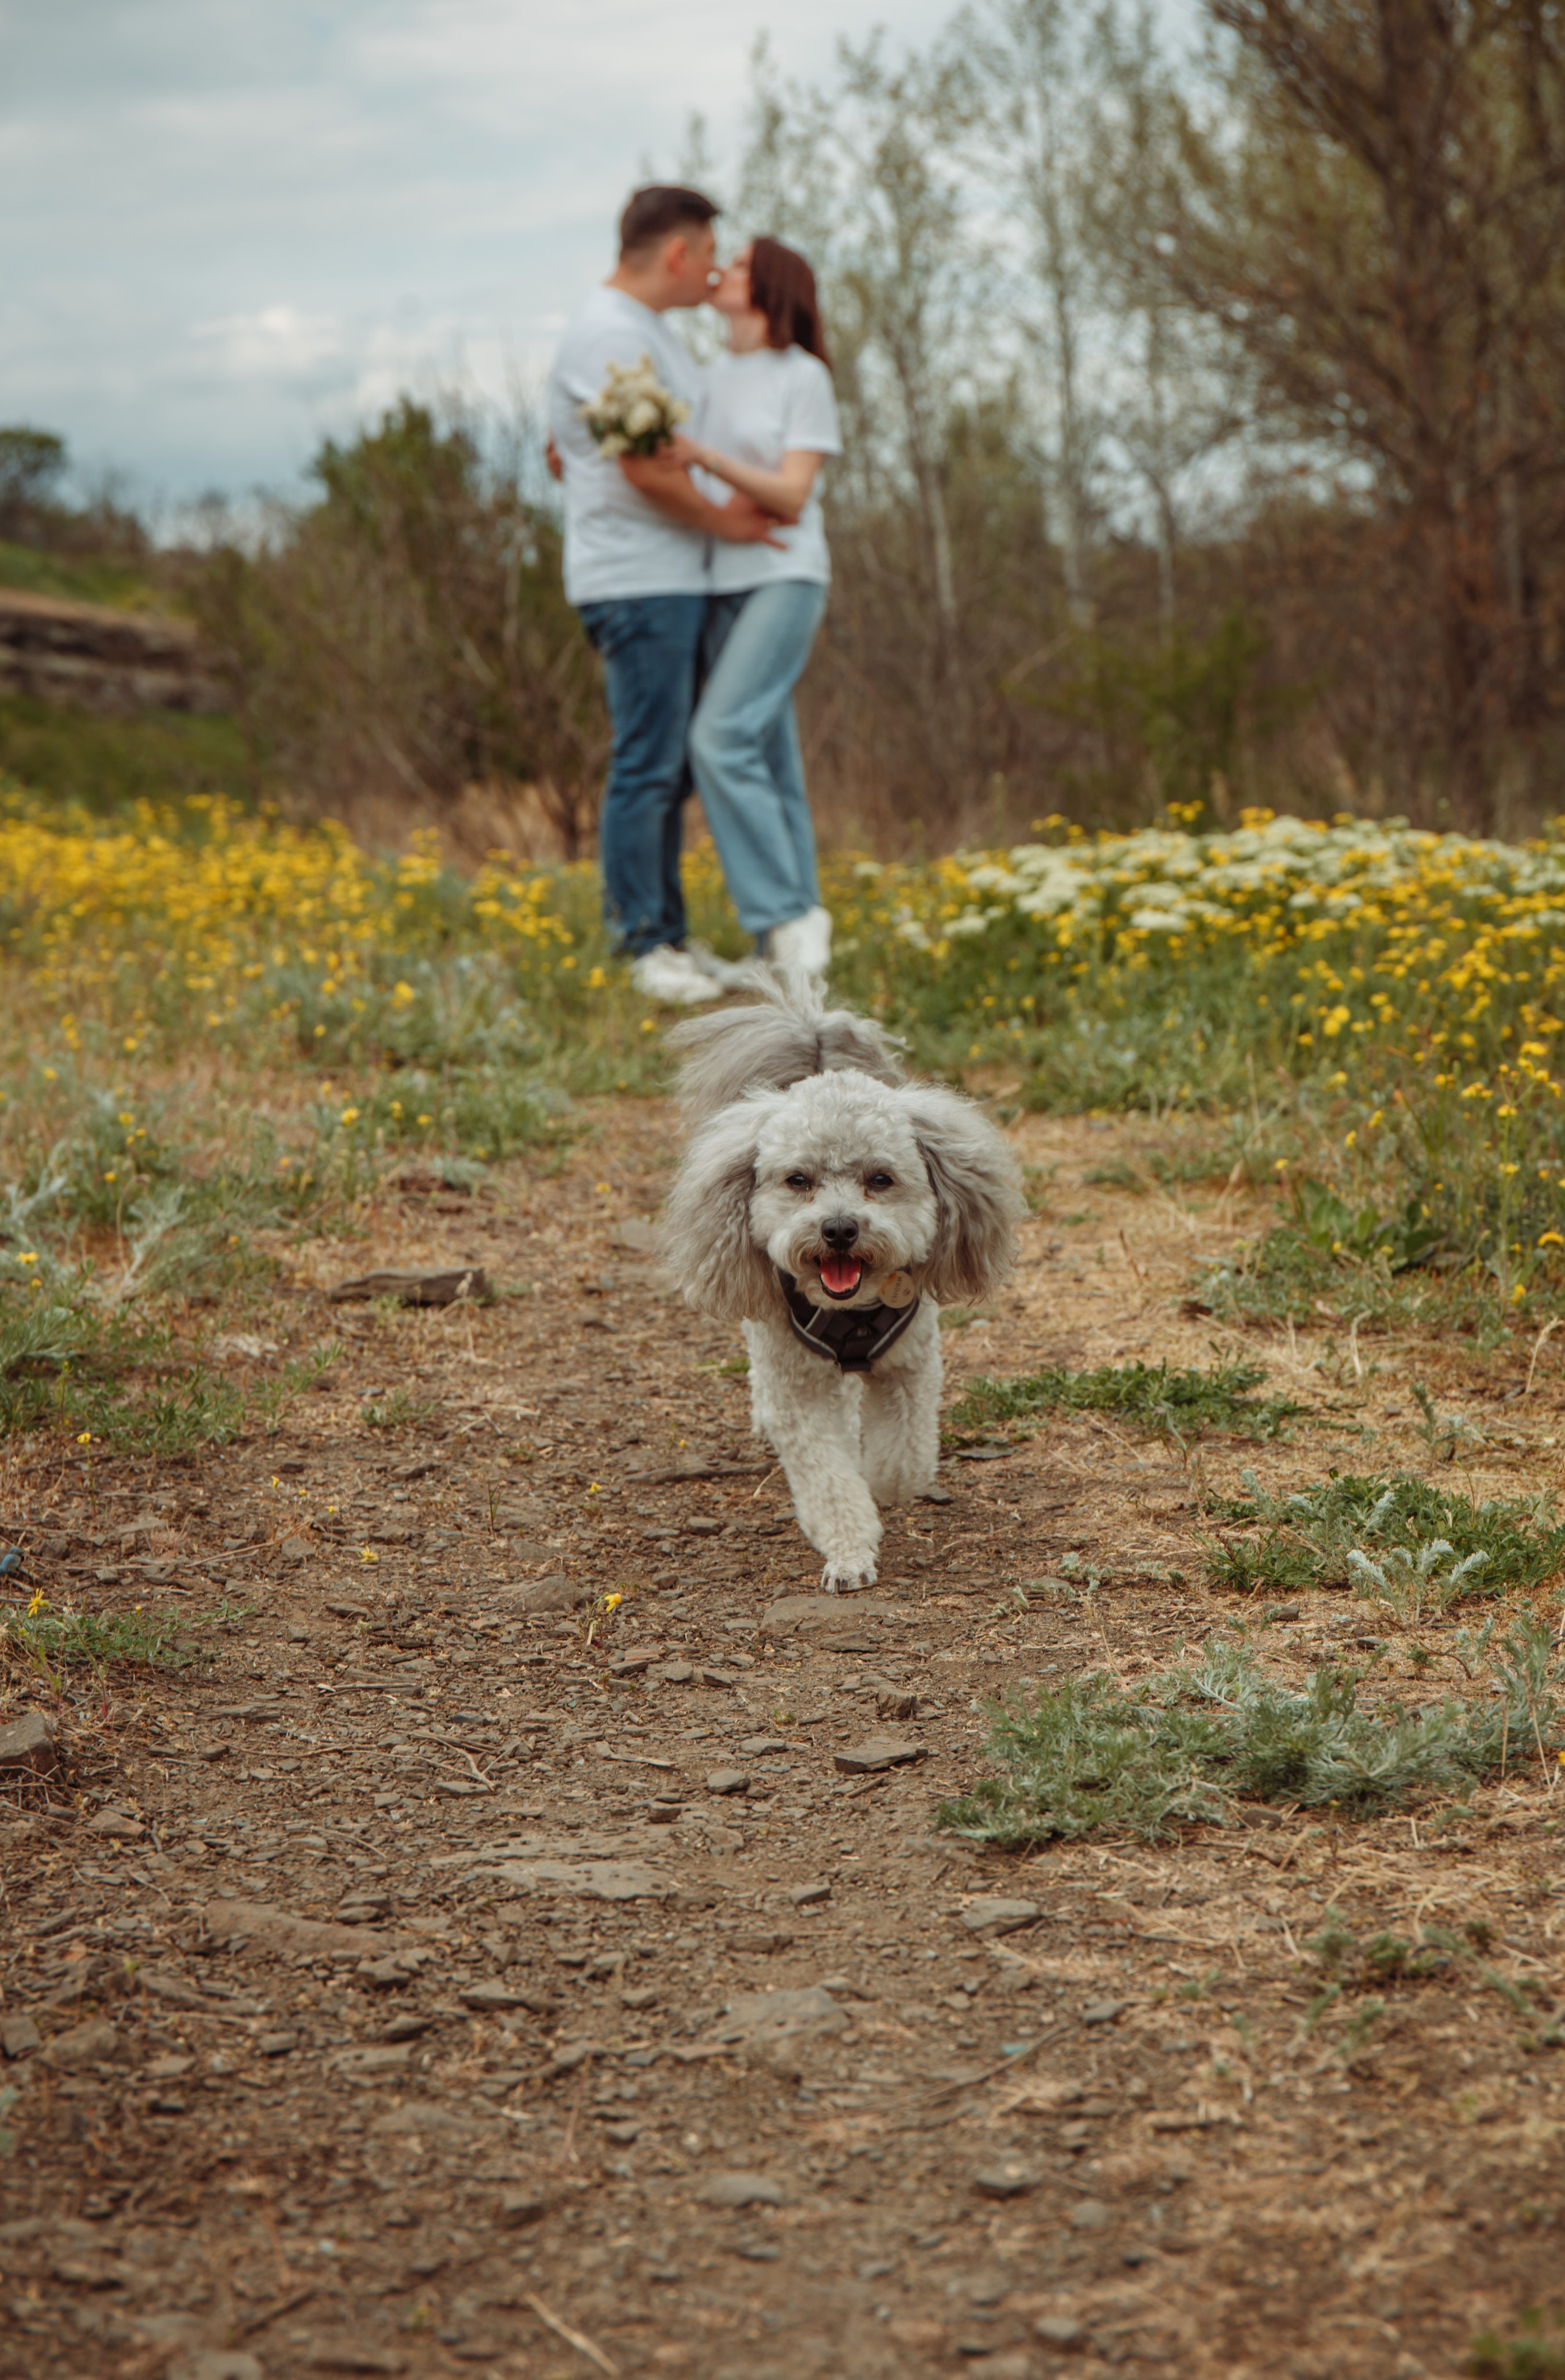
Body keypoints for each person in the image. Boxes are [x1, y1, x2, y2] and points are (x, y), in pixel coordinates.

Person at [546, 185, 780, 1005]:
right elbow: (643, 467)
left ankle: (669, 936)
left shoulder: (643, 330)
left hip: (670, 577)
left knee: (672, 764)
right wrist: (726, 523)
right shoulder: (611, 332)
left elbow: (575, 448)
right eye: (709, 252)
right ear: (677, 252)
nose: (713, 269)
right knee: (647, 762)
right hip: (637, 580)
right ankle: (641, 941)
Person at [674, 237, 840, 977]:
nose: (723, 271)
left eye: (740, 264)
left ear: (769, 286)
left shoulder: (802, 376)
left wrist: (708, 459)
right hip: (717, 582)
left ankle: (784, 914)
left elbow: (793, 493)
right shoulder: (703, 376)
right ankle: (785, 944)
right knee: (769, 755)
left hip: (784, 575)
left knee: (718, 738)